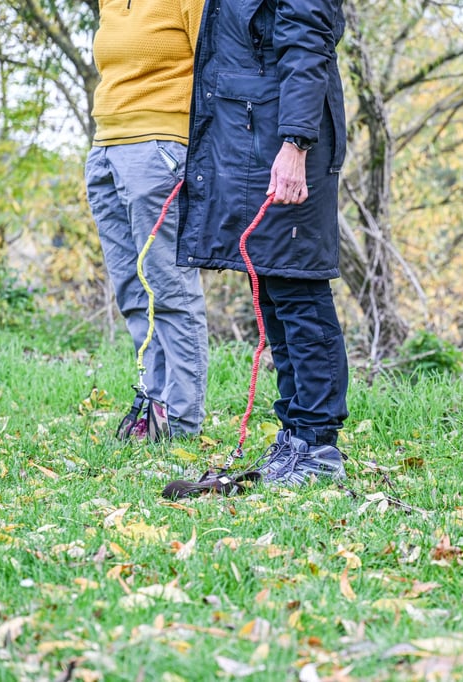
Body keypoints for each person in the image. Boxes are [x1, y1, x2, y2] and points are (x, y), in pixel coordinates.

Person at [176, 0, 349, 483]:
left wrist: (295, 144)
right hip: (253, 141)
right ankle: (294, 436)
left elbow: (306, 48)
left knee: (299, 289)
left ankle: (318, 447)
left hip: (286, 144)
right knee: (274, 287)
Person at [85, 0, 210, 440]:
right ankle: (153, 406)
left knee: (168, 287)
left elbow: (215, 63)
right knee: (132, 291)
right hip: (105, 147)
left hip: (159, 148)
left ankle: (183, 422)